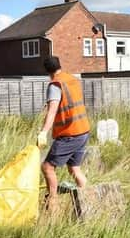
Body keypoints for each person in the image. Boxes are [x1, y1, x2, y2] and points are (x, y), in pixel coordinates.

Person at [37, 56, 90, 209]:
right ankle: (88, 204)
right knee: (74, 168)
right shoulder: (72, 80)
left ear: (47, 71)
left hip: (70, 133)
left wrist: (43, 132)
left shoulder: (55, 85)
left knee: (47, 167)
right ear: (60, 65)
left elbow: (52, 111)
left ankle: (52, 204)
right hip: (83, 130)